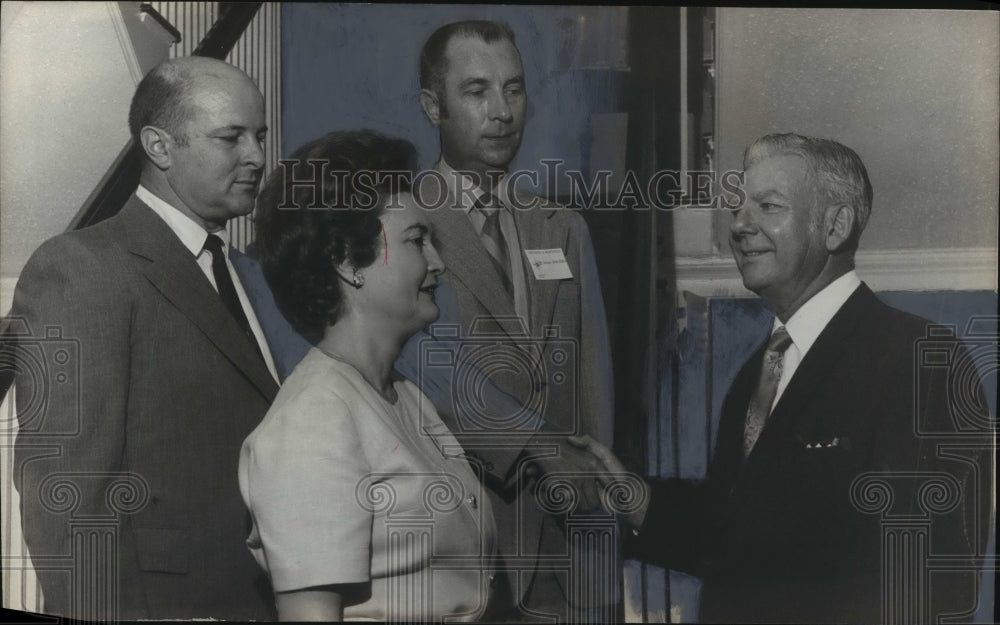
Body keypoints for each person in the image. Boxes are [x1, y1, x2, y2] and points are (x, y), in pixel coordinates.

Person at [586, 133, 993, 623]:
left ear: (835, 226)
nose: (739, 225)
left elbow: (929, 582)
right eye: (737, 208)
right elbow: (733, 536)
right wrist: (631, 496)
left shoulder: (919, 360)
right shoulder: (758, 371)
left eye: (768, 206)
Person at [7, 57, 278, 619]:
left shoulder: (254, 277)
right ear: (159, 146)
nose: (256, 156)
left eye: (260, 136)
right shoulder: (81, 267)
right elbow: (66, 501)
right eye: (231, 137)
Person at [401, 19, 618, 620]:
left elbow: (594, 397)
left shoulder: (563, 227)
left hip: (567, 549)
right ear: (432, 106)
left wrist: (599, 547)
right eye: (477, 91)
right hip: (462, 548)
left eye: (514, 89)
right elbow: (415, 369)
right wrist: (536, 446)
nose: (502, 111)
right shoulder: (401, 225)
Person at [238, 130, 497, 622]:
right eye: (418, 241)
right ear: (346, 262)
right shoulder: (314, 422)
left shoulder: (402, 396)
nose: (438, 264)